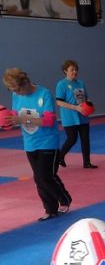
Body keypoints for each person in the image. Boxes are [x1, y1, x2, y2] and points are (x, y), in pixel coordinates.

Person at [2, 68, 71, 221]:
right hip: (29, 142)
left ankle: (65, 198)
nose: (16, 93)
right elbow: (15, 114)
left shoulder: (43, 94)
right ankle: (50, 209)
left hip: (47, 141)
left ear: (25, 83)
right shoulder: (16, 95)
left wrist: (21, 120)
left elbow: (48, 120)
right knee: (38, 178)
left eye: (17, 89)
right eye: (12, 90)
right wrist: (7, 119)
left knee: (44, 176)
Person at [56, 60, 97, 168]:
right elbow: (59, 102)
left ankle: (87, 163)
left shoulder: (80, 83)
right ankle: (59, 157)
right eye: (72, 70)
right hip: (69, 116)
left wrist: (90, 104)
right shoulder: (61, 84)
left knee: (85, 139)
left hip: (83, 115)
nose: (75, 72)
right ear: (65, 71)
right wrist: (75, 108)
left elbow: (85, 97)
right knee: (72, 139)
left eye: (76, 69)